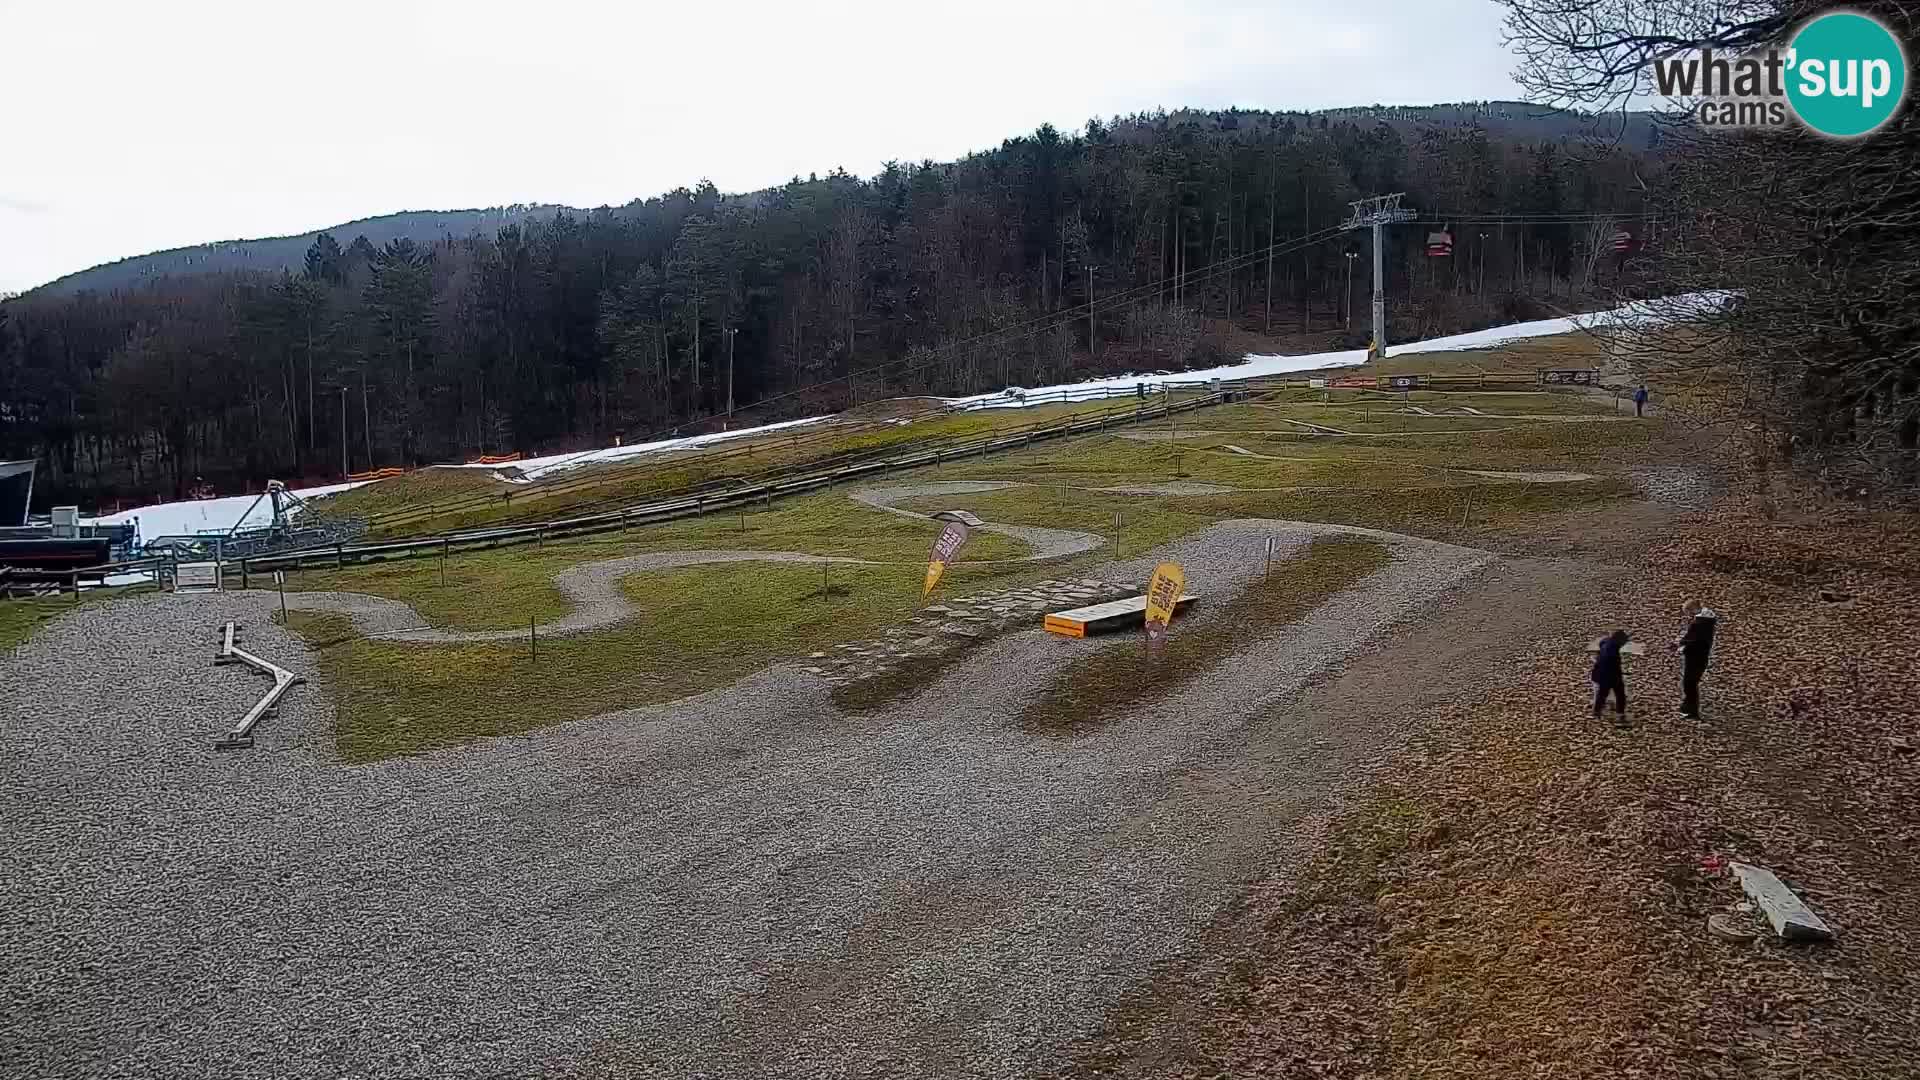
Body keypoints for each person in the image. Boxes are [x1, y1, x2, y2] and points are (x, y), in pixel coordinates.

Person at [1672, 600, 1719, 718]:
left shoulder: (1698, 624)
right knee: (1691, 683)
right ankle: (1688, 708)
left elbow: (1692, 640)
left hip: (1695, 657)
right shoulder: (1707, 621)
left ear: (1692, 610)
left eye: (1688, 613)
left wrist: (1681, 647)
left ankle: (1691, 711)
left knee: (1689, 683)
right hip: (1701, 656)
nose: (1688, 616)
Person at [1591, 629, 1631, 726]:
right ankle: (1620, 714)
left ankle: (1597, 712)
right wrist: (1619, 675)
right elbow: (1613, 664)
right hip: (1610, 675)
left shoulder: (1606, 643)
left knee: (1602, 694)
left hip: (1600, 673)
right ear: (1619, 640)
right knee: (1620, 694)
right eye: (1624, 642)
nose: (1624, 644)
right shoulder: (1613, 648)